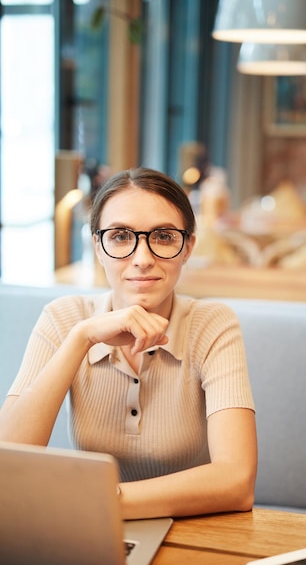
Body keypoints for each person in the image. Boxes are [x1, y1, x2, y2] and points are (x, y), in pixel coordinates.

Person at [0, 167, 257, 520]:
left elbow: (236, 481)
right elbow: (7, 462)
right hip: (93, 531)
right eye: (121, 236)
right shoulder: (64, 318)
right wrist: (82, 338)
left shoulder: (212, 324)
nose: (142, 258)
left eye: (164, 236)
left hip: (189, 524)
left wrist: (98, 501)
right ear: (97, 246)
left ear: (188, 247)